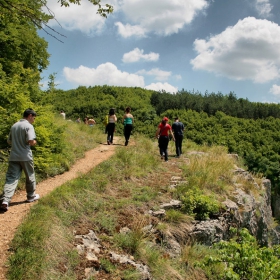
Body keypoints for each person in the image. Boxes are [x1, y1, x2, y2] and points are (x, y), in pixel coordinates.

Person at [0, 109, 40, 212]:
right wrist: (34, 142)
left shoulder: (14, 126)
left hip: (13, 156)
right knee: (30, 175)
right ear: (30, 115)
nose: (33, 120)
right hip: (25, 156)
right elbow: (31, 141)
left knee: (11, 178)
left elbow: (9, 141)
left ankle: (5, 200)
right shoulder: (28, 126)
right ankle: (31, 196)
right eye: (34, 118)